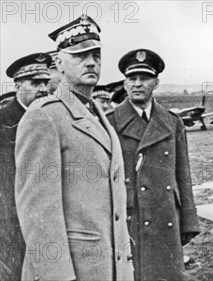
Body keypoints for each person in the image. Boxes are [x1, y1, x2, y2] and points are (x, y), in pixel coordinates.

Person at [14, 15, 134, 281]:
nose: (91, 62)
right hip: (73, 272)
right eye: (79, 55)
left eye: (96, 55)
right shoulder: (43, 117)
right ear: (58, 62)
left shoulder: (98, 116)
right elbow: (38, 213)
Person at [106, 49, 200, 280]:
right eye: (132, 79)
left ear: (155, 83)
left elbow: (183, 173)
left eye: (144, 78)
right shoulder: (109, 122)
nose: (137, 84)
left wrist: (188, 220)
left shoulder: (172, 122)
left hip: (166, 214)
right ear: (125, 84)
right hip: (130, 217)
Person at [1, 52, 51, 281]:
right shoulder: (3, 122)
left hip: (43, 221)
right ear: (18, 85)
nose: (42, 89)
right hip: (7, 225)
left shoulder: (50, 119)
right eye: (35, 83)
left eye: (45, 83)